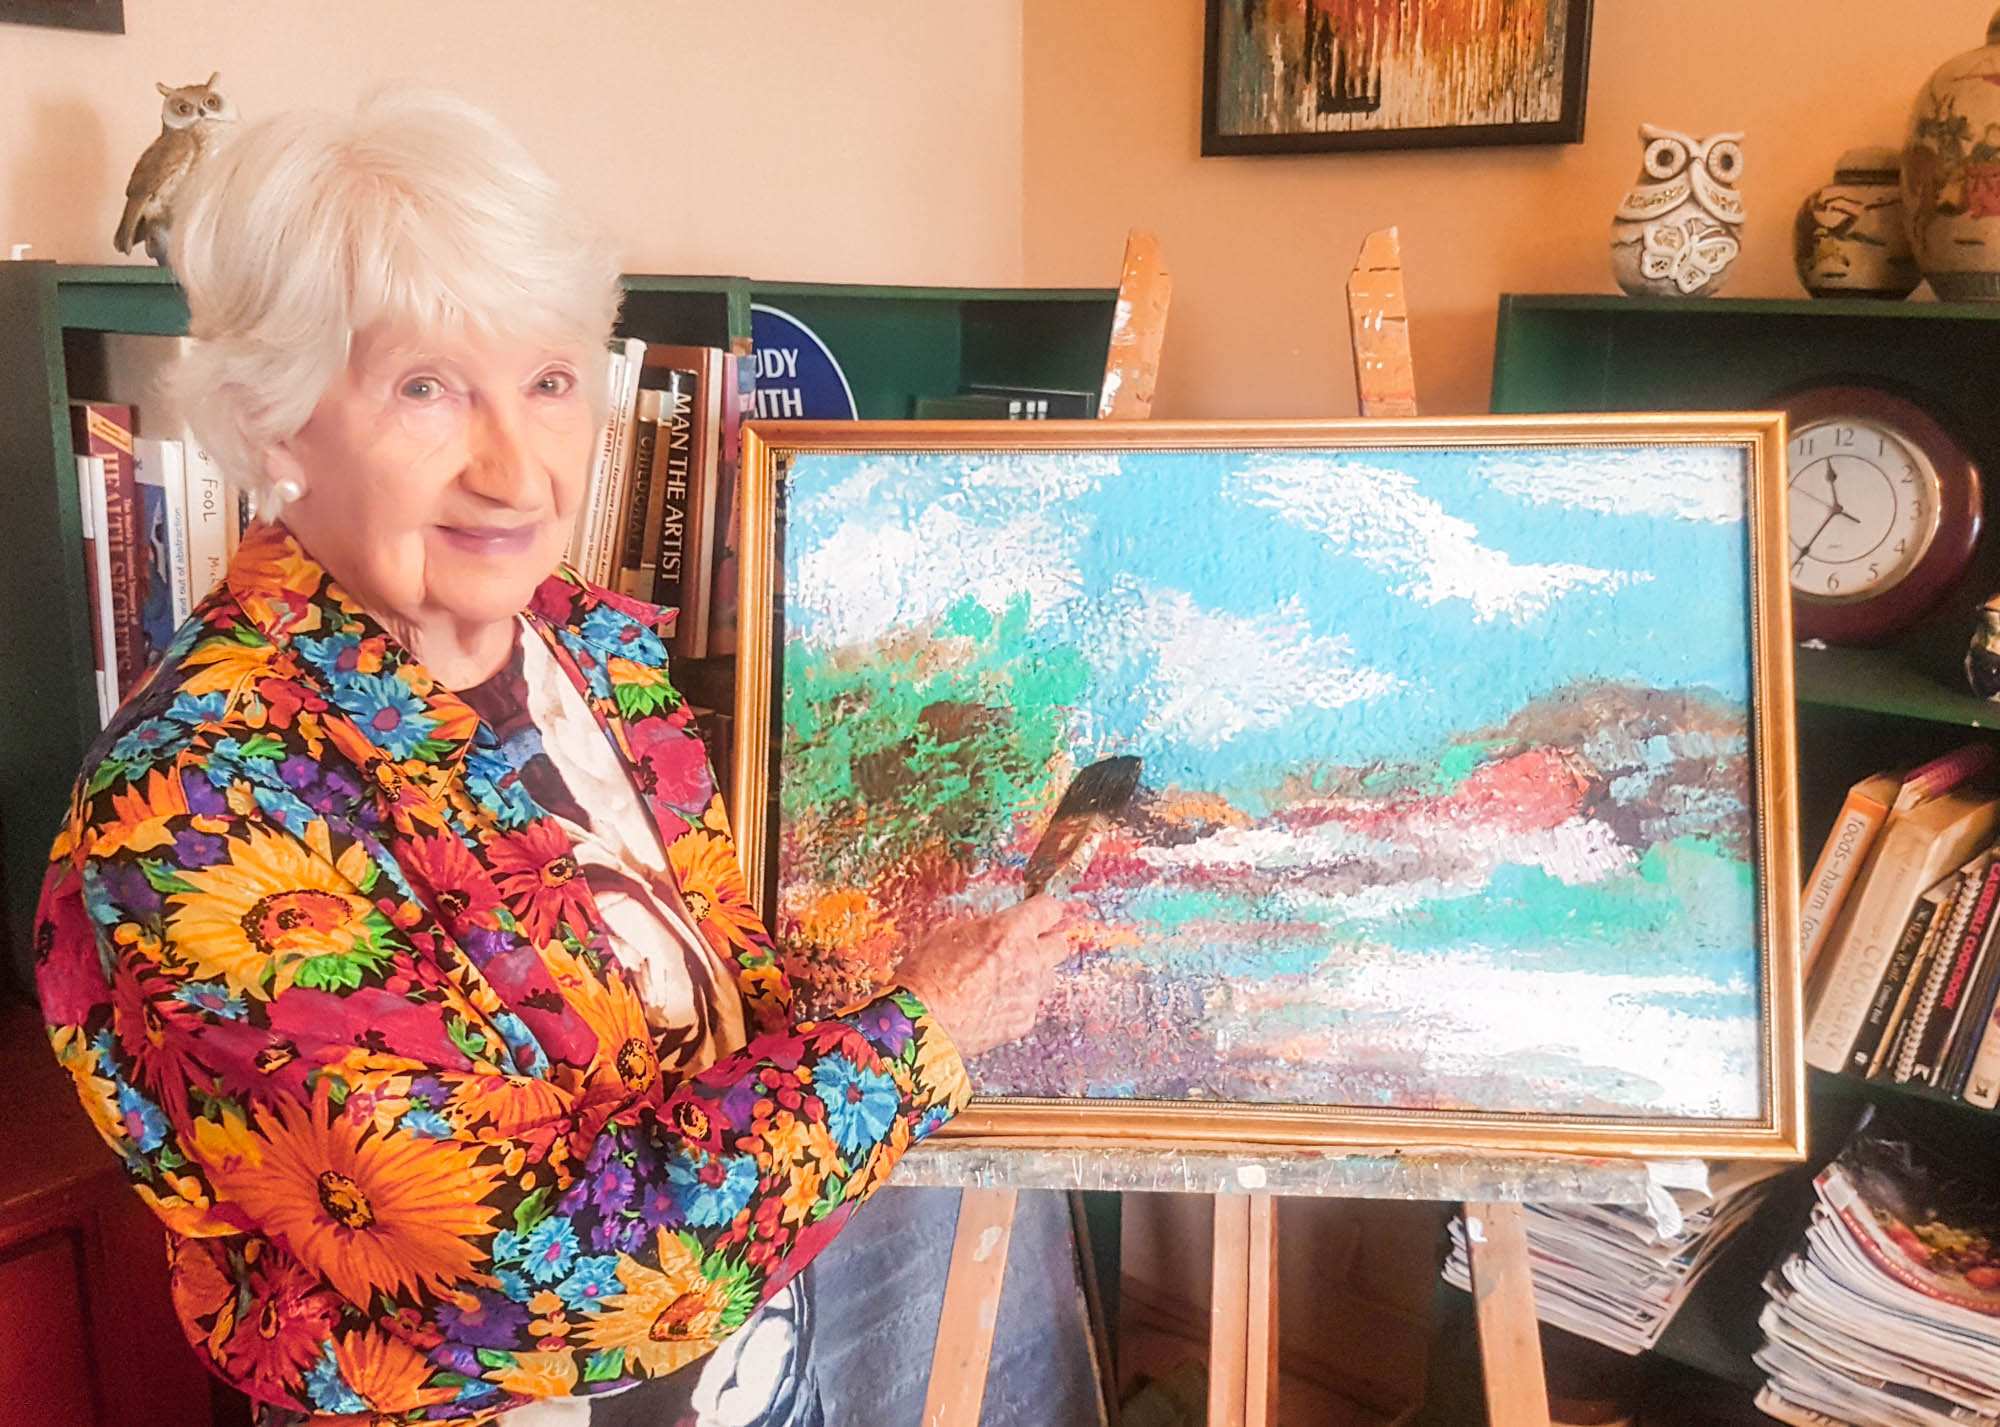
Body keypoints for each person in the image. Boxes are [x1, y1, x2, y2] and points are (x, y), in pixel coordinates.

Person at [32, 87, 1069, 1424]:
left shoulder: (592, 649)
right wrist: (916, 1034)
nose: (515, 472)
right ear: (275, 423)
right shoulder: (196, 798)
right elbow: (531, 1272)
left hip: (734, 1371)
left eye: (550, 382)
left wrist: (885, 966)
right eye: (426, 389)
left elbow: (698, 1001)